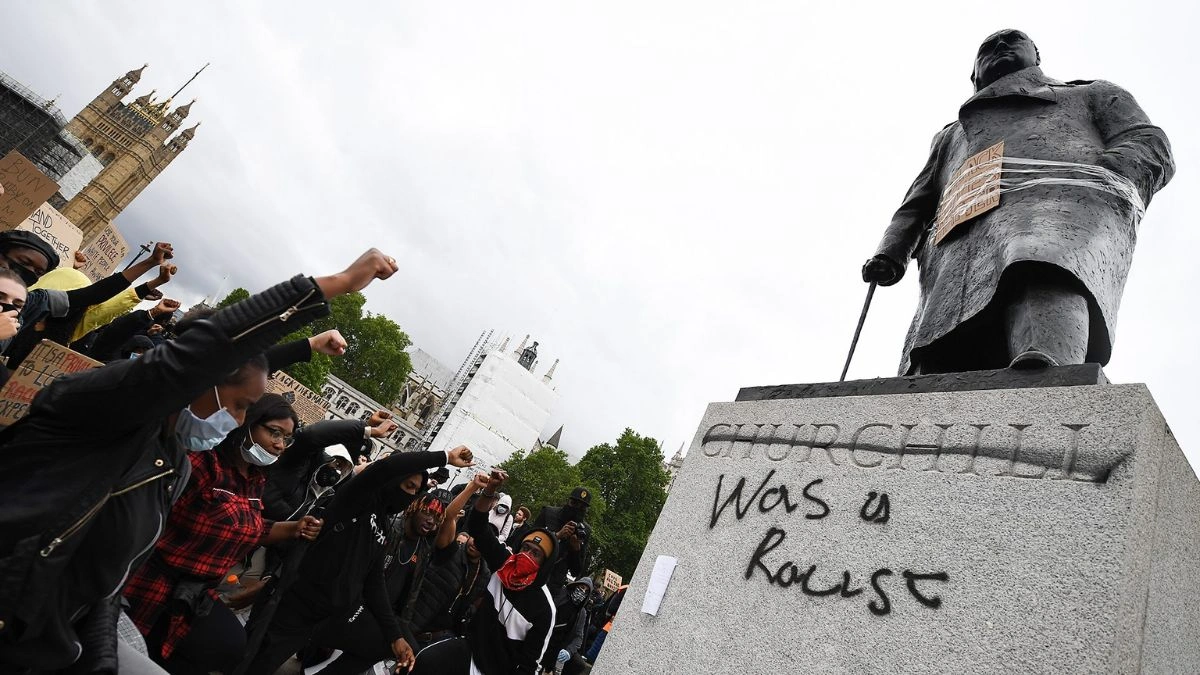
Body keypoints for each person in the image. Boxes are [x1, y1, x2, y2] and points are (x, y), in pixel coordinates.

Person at [0, 247, 400, 672]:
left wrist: (100, 656)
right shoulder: (97, 410)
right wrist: (332, 285)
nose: (241, 421)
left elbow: (106, 581)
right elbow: (200, 357)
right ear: (200, 379)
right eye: (241, 406)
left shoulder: (171, 462)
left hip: (60, 627)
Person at [862, 29, 1174, 374]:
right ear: (973, 74)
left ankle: (1048, 361)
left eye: (1012, 40)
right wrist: (891, 250)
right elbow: (919, 201)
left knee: (1039, 264)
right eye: (987, 48)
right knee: (944, 326)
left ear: (1036, 56)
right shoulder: (951, 135)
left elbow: (1148, 142)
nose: (1000, 46)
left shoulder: (1090, 93)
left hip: (1060, 204)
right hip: (961, 232)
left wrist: (1097, 180)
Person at [122, 393, 323, 674]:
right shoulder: (202, 464)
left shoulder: (255, 479)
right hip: (150, 589)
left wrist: (295, 528)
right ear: (247, 424)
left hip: (195, 597)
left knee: (225, 647)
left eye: (286, 439)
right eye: (274, 432)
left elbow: (248, 528)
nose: (279, 445)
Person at [240, 445, 475, 674]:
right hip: (295, 607)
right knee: (250, 664)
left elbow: (374, 582)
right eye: (408, 486)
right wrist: (445, 457)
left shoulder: (383, 526)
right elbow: (386, 467)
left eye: (416, 491)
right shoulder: (358, 499)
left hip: (331, 616)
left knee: (387, 645)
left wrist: (395, 635)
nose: (411, 494)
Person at [311, 479, 478, 674]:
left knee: (410, 652)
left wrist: (403, 624)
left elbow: (448, 518)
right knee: (382, 644)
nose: (431, 521)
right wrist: (472, 486)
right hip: (358, 604)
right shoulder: (387, 529)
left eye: (435, 518)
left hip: (390, 613)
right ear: (412, 509)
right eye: (427, 512)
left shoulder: (424, 547)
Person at [410, 470, 560, 675]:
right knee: (425, 662)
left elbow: (529, 665)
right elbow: (478, 526)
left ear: (545, 564)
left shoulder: (544, 609)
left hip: (497, 671)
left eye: (535, 553)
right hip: (469, 649)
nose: (527, 555)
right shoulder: (504, 563)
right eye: (525, 548)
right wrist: (490, 489)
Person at [0, 235, 176, 368]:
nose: (29, 272)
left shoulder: (34, 303)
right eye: (24, 262)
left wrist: (151, 263)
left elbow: (95, 294)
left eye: (38, 272)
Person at [262, 407, 395, 522]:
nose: (337, 471)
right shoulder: (296, 465)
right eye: (336, 462)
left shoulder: (325, 496)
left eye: (341, 468)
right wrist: (367, 430)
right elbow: (311, 435)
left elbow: (357, 467)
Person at [407, 531, 491, 652]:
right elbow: (447, 525)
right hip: (413, 624)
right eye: (474, 537)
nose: (475, 543)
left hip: (441, 638)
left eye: (482, 541)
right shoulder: (451, 550)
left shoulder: (484, 575)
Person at [510, 487, 591, 592]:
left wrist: (576, 549)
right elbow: (526, 540)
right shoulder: (548, 513)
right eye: (574, 503)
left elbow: (576, 571)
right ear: (568, 501)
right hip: (530, 572)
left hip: (553, 584)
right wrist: (556, 536)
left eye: (582, 507)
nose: (577, 509)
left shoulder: (584, 531)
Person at [540, 577, 594, 675]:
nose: (582, 592)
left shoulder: (581, 612)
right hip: (545, 635)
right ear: (576, 585)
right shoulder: (561, 594)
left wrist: (569, 651)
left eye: (586, 591)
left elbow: (579, 637)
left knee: (579, 665)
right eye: (582, 587)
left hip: (560, 645)